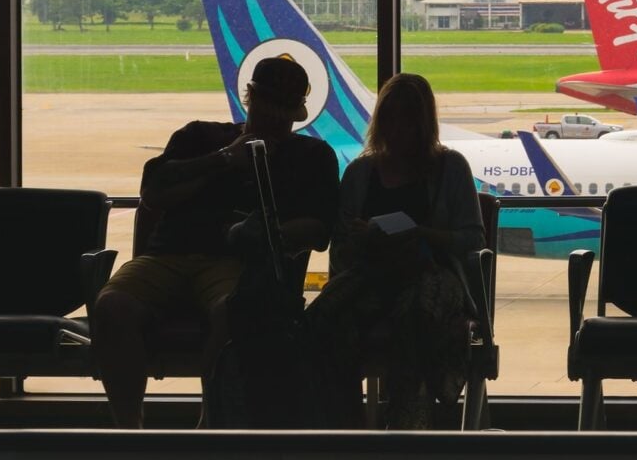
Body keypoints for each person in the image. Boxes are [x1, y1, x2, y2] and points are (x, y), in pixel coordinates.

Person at [90, 55, 338, 429]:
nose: (275, 120)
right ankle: (130, 432)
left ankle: (210, 424)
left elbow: (319, 230)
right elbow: (154, 192)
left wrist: (268, 233)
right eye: (267, 108)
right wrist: (224, 159)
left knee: (232, 312)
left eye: (283, 112)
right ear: (249, 99)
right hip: (166, 256)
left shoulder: (311, 156)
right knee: (111, 305)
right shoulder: (199, 137)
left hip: (235, 264)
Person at [314, 73, 482, 429]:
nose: (398, 128)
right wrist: (360, 239)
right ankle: (343, 428)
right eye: (391, 118)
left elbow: (473, 239)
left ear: (424, 124)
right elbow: (340, 243)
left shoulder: (451, 168)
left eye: (408, 119)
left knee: (414, 316)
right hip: (371, 272)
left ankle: (406, 427)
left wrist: (421, 234)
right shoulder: (360, 173)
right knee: (321, 319)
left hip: (431, 273)